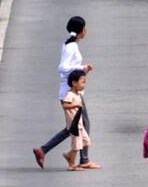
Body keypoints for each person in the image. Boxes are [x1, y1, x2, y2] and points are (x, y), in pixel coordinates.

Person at [33, 16, 101, 169]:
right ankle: (83, 159)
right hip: (70, 94)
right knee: (83, 124)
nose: (87, 30)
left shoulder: (70, 44)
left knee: (72, 127)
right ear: (81, 30)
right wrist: (81, 69)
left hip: (71, 92)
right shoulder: (71, 47)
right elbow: (63, 68)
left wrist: (82, 69)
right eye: (86, 27)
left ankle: (43, 150)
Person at [61, 70, 91, 171]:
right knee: (77, 145)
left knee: (86, 141)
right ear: (74, 83)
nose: (84, 85)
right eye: (82, 82)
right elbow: (65, 105)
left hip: (79, 125)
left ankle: (69, 155)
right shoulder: (70, 95)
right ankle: (71, 164)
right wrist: (75, 105)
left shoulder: (78, 94)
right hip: (74, 126)